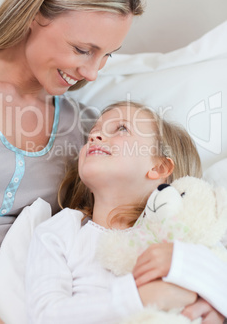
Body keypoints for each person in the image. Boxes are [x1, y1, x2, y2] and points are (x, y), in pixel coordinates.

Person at [0, 0, 143, 322]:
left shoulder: (87, 129)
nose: (92, 73)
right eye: (82, 49)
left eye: (107, 56)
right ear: (34, 12)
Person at [25, 101, 226, 323]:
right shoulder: (62, 231)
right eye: (93, 132)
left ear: (159, 168)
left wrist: (183, 263)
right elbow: (44, 315)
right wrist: (138, 298)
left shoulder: (184, 232)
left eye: (121, 128)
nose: (95, 136)